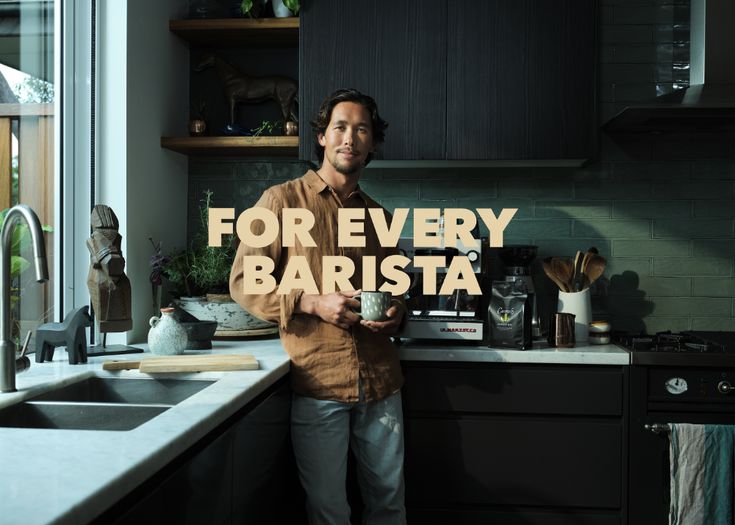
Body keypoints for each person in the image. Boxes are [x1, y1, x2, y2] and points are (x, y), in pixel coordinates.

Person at [230, 88, 407, 524]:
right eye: (340, 127)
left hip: (381, 381)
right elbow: (242, 282)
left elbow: (397, 288)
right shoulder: (281, 201)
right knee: (328, 512)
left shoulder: (379, 217)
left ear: (372, 142)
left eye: (361, 129)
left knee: (389, 504)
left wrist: (397, 310)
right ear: (323, 138)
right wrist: (310, 301)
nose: (351, 138)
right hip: (318, 381)